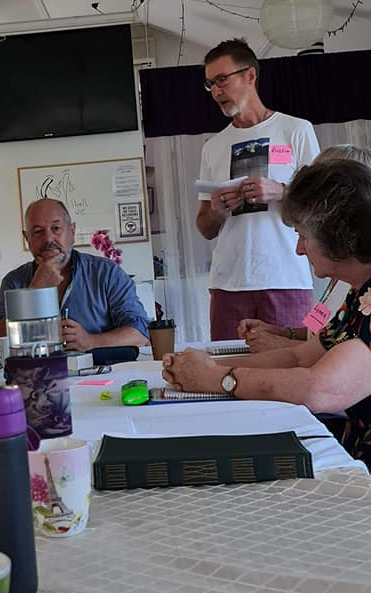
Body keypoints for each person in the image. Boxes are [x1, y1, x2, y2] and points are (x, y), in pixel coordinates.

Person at [163, 159, 371, 469]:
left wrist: (216, 378)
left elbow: (319, 388)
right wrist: (205, 367)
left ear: (338, 238)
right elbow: (301, 357)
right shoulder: (360, 291)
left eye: (302, 236)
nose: (299, 249)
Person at [197, 39, 320, 340]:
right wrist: (217, 210)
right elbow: (205, 227)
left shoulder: (296, 130)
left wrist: (281, 191)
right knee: (228, 371)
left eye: (222, 80)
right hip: (228, 284)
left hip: (287, 279)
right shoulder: (212, 147)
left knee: (292, 366)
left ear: (250, 76)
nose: (216, 91)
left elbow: (322, 204)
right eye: (210, 84)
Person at [239, 144, 371, 352]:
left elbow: (332, 360)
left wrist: (281, 345)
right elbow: (320, 333)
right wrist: (281, 332)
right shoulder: (343, 276)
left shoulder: (359, 282)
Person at [0, 199, 149, 353]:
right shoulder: (14, 282)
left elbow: (140, 334)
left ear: (72, 231)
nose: (48, 239)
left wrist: (90, 341)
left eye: (56, 228)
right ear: (27, 238)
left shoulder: (106, 273)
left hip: (100, 375)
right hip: (38, 376)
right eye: (38, 232)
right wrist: (35, 291)